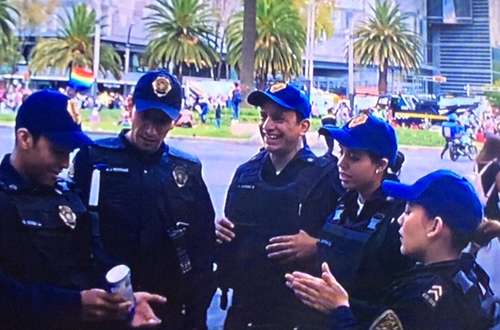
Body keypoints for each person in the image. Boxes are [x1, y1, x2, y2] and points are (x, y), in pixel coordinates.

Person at [0, 90, 167, 329]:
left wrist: (124, 302)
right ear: (25, 139)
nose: (65, 163)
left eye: (70, 153)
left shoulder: (66, 194)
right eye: (58, 151)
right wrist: (71, 305)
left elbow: (90, 260)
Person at [73, 70, 216, 330]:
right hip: (107, 303)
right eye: (145, 116)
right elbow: (72, 238)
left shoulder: (186, 169)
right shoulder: (93, 158)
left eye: (161, 121)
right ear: (130, 107)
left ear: (174, 120)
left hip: (167, 305)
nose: (150, 130)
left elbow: (203, 244)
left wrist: (197, 311)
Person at [286, 170, 500, 330]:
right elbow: (388, 314)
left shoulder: (423, 299)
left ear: (434, 227)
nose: (399, 219)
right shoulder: (462, 274)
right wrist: (343, 301)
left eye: (408, 211)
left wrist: (339, 310)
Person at [215, 82, 344, 329]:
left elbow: (349, 247)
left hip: (295, 315)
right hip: (245, 311)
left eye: (279, 118)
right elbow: (227, 239)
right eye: (264, 117)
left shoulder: (327, 179)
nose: (267, 126)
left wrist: (318, 246)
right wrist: (218, 235)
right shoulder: (245, 174)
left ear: (303, 126)